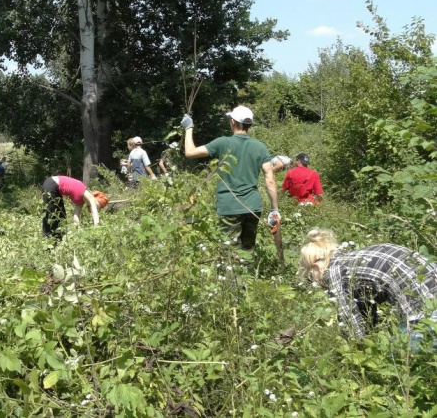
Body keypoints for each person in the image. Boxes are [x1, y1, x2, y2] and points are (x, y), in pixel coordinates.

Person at [298, 228, 437, 345]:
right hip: (431, 281)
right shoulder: (353, 260)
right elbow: (364, 308)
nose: (315, 282)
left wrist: (356, 350)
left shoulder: (334, 272)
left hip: (420, 303)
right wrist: (370, 333)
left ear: (315, 268)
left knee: (402, 357)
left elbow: (350, 322)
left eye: (311, 277)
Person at [181, 106, 279, 251]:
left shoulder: (222, 143)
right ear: (249, 125)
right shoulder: (261, 147)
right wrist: (274, 209)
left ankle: (232, 273)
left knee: (229, 251)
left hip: (229, 206)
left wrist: (189, 128)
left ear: (233, 122)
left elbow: (190, 152)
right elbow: (269, 179)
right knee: (247, 249)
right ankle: (248, 271)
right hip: (253, 206)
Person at [41, 175, 109, 240]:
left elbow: (76, 217)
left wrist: (77, 232)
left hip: (55, 188)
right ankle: (48, 243)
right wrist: (96, 229)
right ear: (97, 200)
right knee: (52, 216)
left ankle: (57, 243)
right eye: (98, 207)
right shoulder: (90, 196)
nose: (97, 209)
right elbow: (96, 217)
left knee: (62, 219)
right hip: (51, 184)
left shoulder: (81, 201)